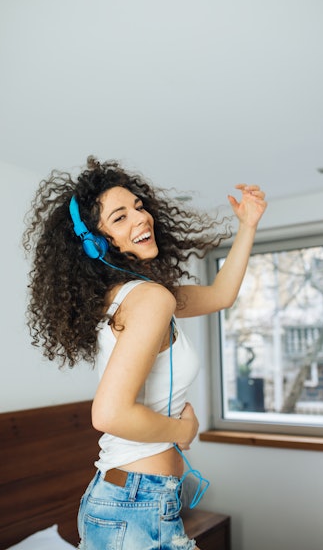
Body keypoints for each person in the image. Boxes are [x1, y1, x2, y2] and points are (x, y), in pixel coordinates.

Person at [23, 156, 267, 550]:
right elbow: (109, 414)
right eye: (119, 217)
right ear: (95, 242)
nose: (141, 218)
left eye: (138, 207)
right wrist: (183, 431)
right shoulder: (148, 300)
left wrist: (248, 225)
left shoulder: (139, 296)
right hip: (133, 505)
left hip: (134, 503)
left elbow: (221, 295)